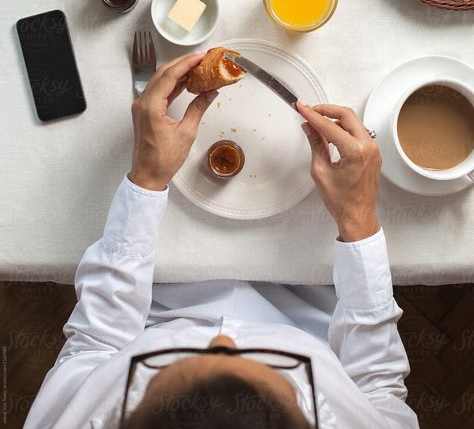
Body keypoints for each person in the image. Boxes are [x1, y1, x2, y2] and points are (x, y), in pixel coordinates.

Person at [24, 53, 420, 429]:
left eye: (171, 365)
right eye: (266, 365)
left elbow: (95, 346)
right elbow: (378, 388)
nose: (225, 337)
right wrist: (358, 218)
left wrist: (145, 179)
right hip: (318, 307)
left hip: (158, 304)